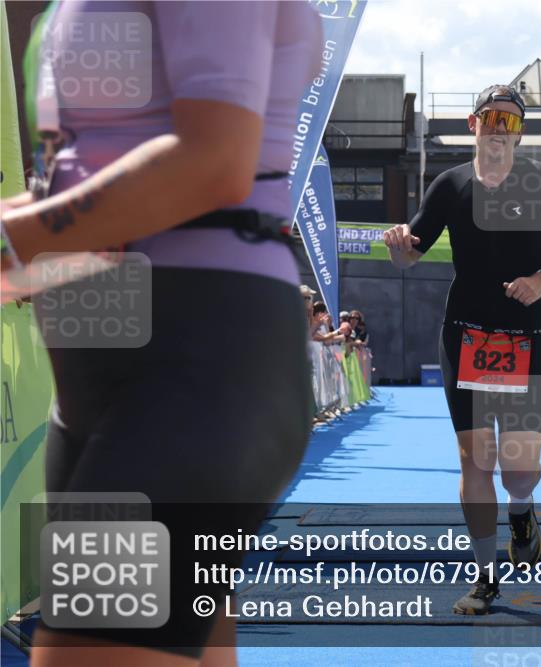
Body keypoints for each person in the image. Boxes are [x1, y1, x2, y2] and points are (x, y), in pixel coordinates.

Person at [0, 3, 321, 666]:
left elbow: (215, 158)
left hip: (193, 365)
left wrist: (14, 243)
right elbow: (87, 173)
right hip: (100, 385)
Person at [383, 83, 541, 615]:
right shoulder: (450, 185)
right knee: (476, 460)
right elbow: (410, 256)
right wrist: (399, 249)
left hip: (523, 338)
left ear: (520, 133)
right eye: (491, 117)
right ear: (473, 124)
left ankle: (522, 508)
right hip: (466, 334)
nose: (499, 127)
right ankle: (485, 576)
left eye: (510, 121)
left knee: (519, 469)